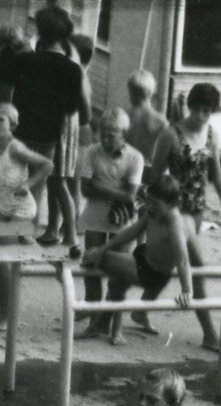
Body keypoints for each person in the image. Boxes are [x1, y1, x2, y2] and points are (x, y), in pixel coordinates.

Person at [145, 82, 221, 339]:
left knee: (171, 261)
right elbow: (154, 177)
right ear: (189, 107)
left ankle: (141, 310)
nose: (201, 115)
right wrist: (152, 210)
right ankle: (210, 334)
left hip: (197, 212)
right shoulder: (170, 134)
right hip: (174, 211)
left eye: (207, 110)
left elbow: (217, 175)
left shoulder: (212, 135)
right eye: (197, 109)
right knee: (194, 266)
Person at [0, 5, 86, 249]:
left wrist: (13, 47)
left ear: (40, 32)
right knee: (33, 194)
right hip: (48, 138)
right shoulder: (73, 70)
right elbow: (73, 108)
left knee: (6, 187)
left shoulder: (26, 60)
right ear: (64, 36)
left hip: (20, 135)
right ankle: (17, 242)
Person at [82, 172, 205, 347]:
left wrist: (188, 291)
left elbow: (183, 259)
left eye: (155, 203)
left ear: (172, 204)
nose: (150, 206)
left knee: (94, 258)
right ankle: (102, 324)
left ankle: (102, 324)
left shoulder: (174, 221)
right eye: (148, 200)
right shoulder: (153, 211)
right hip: (143, 261)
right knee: (116, 280)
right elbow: (132, 231)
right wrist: (103, 248)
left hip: (153, 274)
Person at [0, 101, 53, 325]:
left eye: (1, 119)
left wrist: (29, 182)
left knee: (2, 257)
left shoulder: (16, 147)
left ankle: (10, 315)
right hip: (3, 205)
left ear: (13, 125)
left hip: (22, 207)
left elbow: (47, 164)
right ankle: (3, 309)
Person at [77, 107, 143, 328]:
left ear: (124, 134)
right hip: (94, 217)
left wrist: (99, 185)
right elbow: (85, 189)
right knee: (91, 267)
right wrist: (118, 193)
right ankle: (92, 312)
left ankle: (113, 323)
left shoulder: (135, 158)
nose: (105, 138)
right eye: (103, 133)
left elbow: (131, 196)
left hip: (122, 221)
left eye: (111, 134)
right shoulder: (91, 152)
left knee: (119, 274)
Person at [123, 66, 164, 166]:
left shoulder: (123, 115)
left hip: (124, 167)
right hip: (147, 170)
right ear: (151, 92)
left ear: (131, 92)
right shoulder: (160, 121)